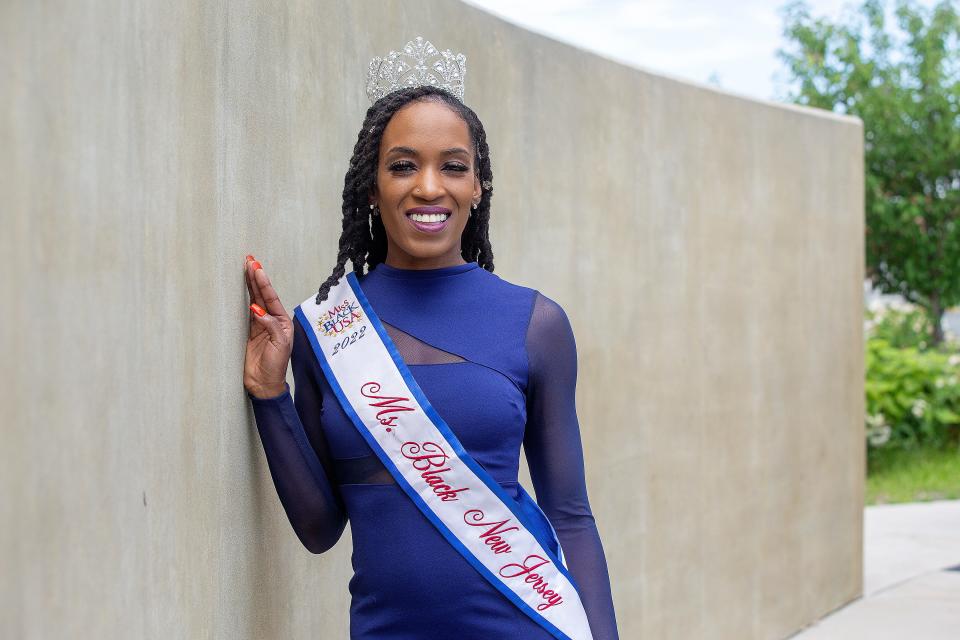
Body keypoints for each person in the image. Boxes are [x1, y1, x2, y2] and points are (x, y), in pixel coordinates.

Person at [242, 37, 619, 639]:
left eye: (452, 166)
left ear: (478, 186)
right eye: (402, 165)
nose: (428, 187)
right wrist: (269, 395)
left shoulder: (535, 324)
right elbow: (318, 528)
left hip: (526, 623)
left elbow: (570, 514)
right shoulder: (326, 328)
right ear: (371, 187)